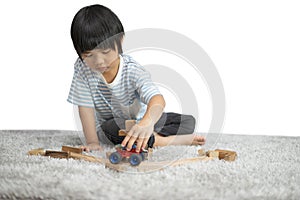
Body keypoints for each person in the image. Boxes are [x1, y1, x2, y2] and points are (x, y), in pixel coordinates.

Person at [68, 4, 206, 153]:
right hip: (113, 125)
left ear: (120, 41)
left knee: (187, 122)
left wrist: (146, 123)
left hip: (142, 120)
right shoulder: (83, 69)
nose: (99, 61)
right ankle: (164, 140)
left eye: (105, 52)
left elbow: (157, 99)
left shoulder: (132, 70)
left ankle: (149, 134)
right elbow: (85, 107)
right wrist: (92, 142)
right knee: (113, 128)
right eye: (89, 55)